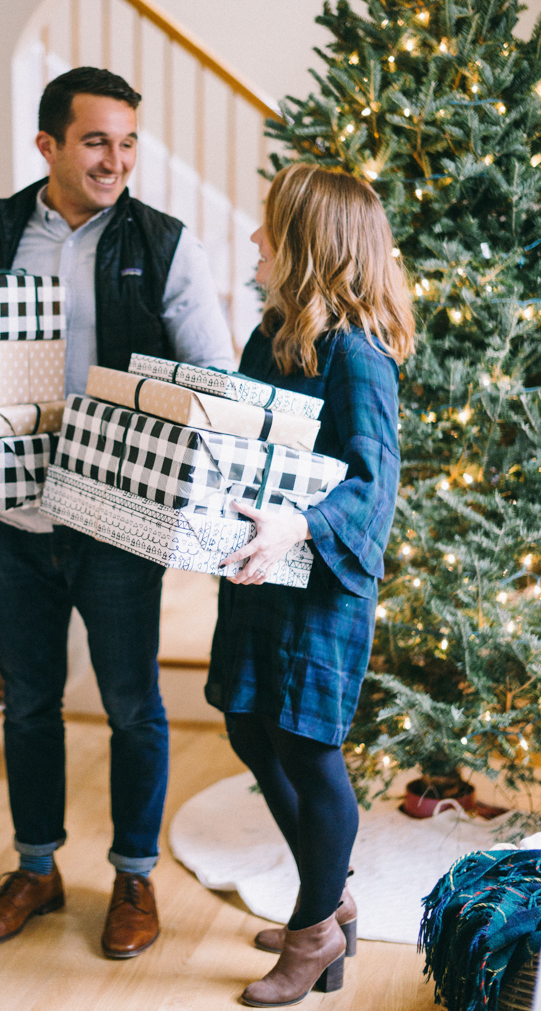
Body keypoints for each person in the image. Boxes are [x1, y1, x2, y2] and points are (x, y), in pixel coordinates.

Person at [0, 67, 235, 959]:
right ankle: (36, 869)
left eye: (127, 142)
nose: (116, 160)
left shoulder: (166, 245)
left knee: (131, 707)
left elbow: (216, 382)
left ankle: (134, 877)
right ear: (48, 146)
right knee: (29, 703)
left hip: (118, 522)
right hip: (15, 521)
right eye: (96, 141)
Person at [207, 164, 414, 1007]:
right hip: (262, 566)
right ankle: (329, 900)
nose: (253, 239)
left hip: (320, 578)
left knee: (307, 750)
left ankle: (315, 931)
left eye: (267, 228)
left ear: (304, 245)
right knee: (249, 728)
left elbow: (373, 485)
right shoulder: (272, 334)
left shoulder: (360, 358)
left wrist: (298, 525)